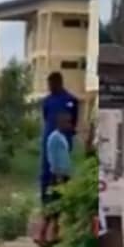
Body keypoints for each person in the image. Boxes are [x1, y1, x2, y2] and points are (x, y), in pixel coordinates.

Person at [36, 109, 75, 246]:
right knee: (51, 205)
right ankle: (41, 236)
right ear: (60, 123)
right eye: (67, 122)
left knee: (58, 207)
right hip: (57, 176)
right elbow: (52, 157)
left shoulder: (63, 137)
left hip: (64, 175)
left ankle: (54, 235)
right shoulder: (54, 137)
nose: (69, 124)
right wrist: (58, 174)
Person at [40, 72, 79, 207]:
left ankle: (63, 199)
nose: (49, 87)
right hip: (49, 138)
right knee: (47, 168)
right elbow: (46, 117)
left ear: (58, 83)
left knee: (62, 168)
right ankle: (45, 199)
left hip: (64, 138)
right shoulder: (47, 101)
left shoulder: (71, 100)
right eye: (48, 84)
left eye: (51, 84)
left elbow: (74, 119)